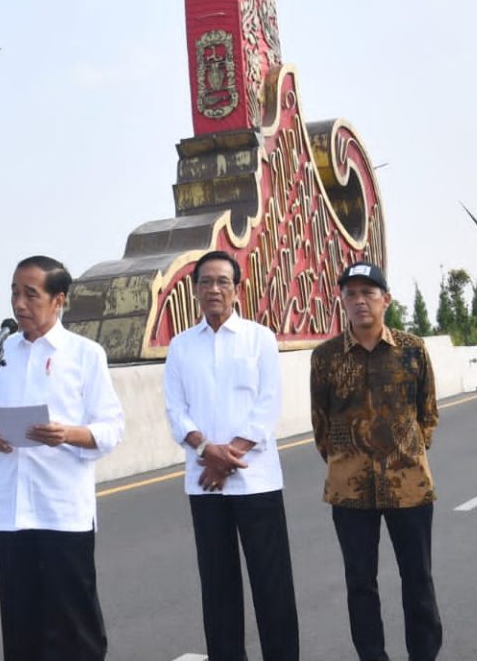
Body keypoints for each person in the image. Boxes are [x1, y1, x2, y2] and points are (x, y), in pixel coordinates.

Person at [0, 255, 125, 661]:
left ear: (58, 299)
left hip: (61, 511)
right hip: (11, 512)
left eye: (31, 294)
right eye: (14, 292)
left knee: (74, 626)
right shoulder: (0, 354)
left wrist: (69, 434)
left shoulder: (84, 354)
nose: (19, 303)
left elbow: (112, 428)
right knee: (21, 625)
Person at [164, 250, 299, 661]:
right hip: (205, 485)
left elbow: (268, 404)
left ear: (237, 290)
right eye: (206, 282)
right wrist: (207, 450)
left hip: (255, 479)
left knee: (271, 584)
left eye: (223, 281)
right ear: (195, 290)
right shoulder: (181, 347)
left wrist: (228, 455)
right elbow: (175, 410)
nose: (214, 289)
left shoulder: (260, 338)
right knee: (218, 588)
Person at [310, 261, 442, 661]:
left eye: (368, 293)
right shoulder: (326, 357)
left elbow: (428, 413)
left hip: (409, 488)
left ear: (385, 300)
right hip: (349, 492)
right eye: (351, 294)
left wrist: (407, 454)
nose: (359, 301)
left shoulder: (412, 349)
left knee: (417, 579)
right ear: (342, 302)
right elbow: (320, 423)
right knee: (360, 584)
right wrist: (345, 460)